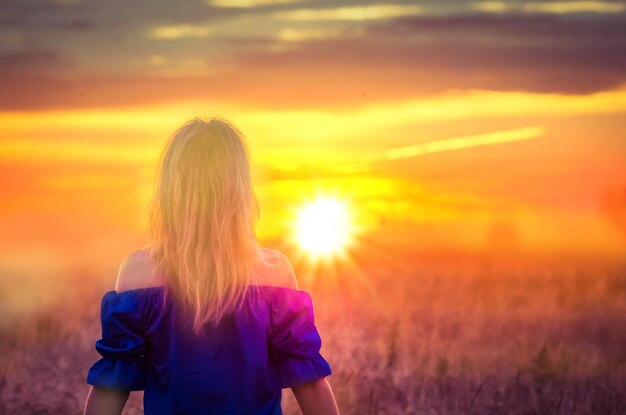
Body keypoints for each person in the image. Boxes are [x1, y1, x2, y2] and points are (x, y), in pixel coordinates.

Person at [83, 118, 339, 415]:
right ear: (240, 190)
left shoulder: (138, 273)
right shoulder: (274, 272)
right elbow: (310, 385)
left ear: (170, 189)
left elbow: (111, 388)